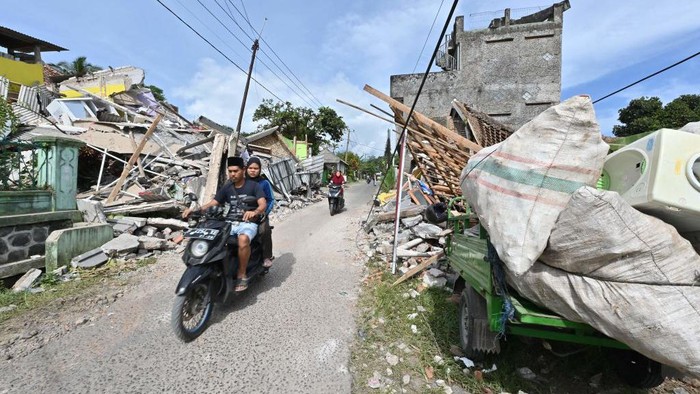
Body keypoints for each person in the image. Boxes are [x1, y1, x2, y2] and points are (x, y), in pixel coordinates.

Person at [182, 157, 265, 292]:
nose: (233, 174)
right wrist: (195, 210)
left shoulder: (254, 186)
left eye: (236, 171)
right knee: (212, 238)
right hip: (229, 222)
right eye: (230, 171)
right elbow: (213, 203)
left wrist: (254, 212)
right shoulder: (227, 188)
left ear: (243, 170)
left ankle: (241, 274)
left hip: (247, 223)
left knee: (243, 239)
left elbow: (262, 204)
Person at [246, 156, 275, 268]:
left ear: (260, 169)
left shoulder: (264, 183)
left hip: (260, 214)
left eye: (256, 168)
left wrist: (264, 213)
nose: (253, 170)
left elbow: (271, 200)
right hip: (241, 214)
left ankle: (266, 256)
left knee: (264, 230)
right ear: (246, 168)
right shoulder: (241, 181)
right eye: (250, 168)